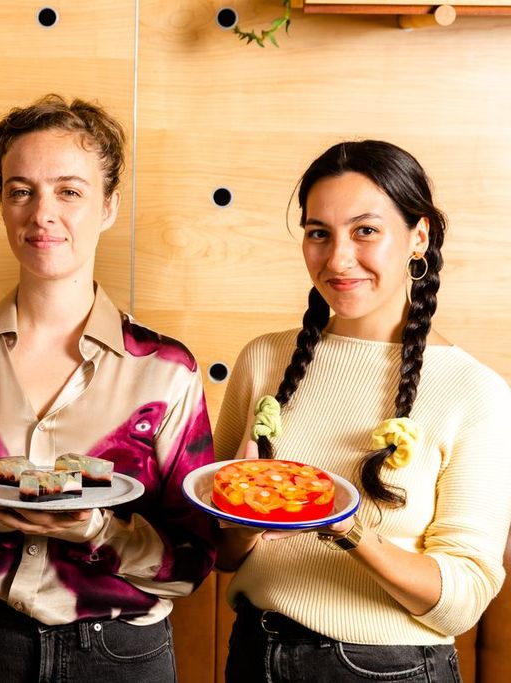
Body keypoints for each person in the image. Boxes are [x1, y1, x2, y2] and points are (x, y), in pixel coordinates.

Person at [0, 94, 217, 683]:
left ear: (109, 206)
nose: (42, 213)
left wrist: (100, 531)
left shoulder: (167, 370)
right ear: (2, 204)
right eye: (21, 191)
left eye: (69, 191)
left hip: (119, 658)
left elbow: (193, 561)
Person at [213, 140, 511, 681]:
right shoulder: (263, 360)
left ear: (418, 236)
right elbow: (223, 554)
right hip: (256, 653)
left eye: (365, 230)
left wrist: (347, 529)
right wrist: (238, 517)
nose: (337, 259)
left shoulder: (475, 391)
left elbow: (464, 600)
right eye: (318, 233)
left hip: (387, 668)